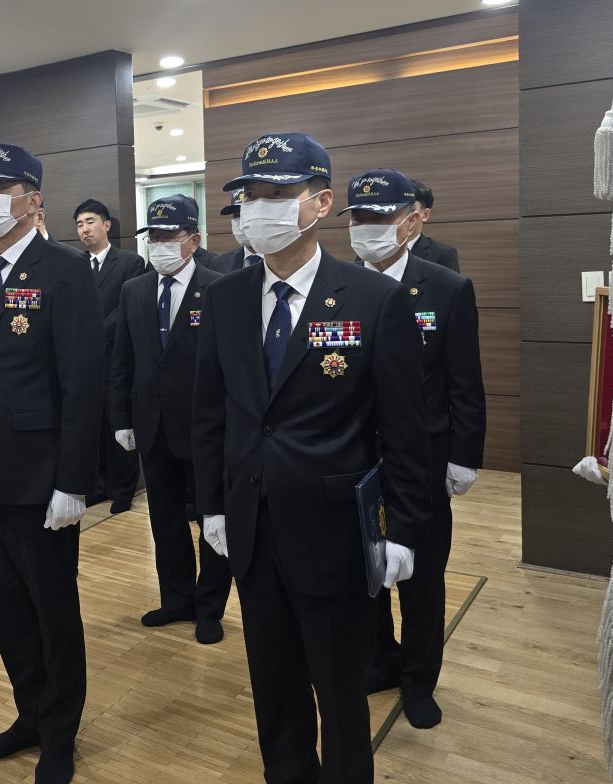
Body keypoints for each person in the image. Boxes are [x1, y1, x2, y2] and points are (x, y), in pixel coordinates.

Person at [192, 133, 432, 784]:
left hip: (333, 535)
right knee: (274, 691)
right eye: (250, 195)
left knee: (341, 695)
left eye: (277, 193)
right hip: (252, 528)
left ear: (321, 202)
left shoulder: (372, 300)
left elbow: (405, 431)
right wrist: (212, 507)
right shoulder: (225, 298)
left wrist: (405, 530)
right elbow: (210, 415)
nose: (258, 208)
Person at [0, 143, 103, 784]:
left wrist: (73, 481)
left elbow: (82, 382)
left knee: (51, 609)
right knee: (5, 607)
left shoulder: (64, 269)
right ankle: (30, 714)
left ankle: (60, 733)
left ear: (32, 199)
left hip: (41, 475)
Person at [341, 168, 486, 729]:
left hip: (422, 457)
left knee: (422, 577)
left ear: (409, 219)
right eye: (358, 217)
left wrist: (464, 455)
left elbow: (464, 382)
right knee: (367, 569)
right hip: (356, 456)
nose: (367, 227)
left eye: (379, 217)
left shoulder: (445, 287)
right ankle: (380, 660)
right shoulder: (338, 288)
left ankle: (419, 680)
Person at [110, 195, 232, 644]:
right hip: (153, 424)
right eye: (154, 237)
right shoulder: (135, 290)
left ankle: (209, 607)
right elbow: (123, 360)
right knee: (164, 519)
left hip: (204, 428)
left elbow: (230, 367)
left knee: (211, 519)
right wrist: (121, 418)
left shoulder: (219, 288)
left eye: (169, 236)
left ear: (193, 240)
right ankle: (176, 599)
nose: (159, 245)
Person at [74, 198, 146, 511]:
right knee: (92, 427)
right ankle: (99, 485)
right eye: (79, 224)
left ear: (106, 225)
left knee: (118, 423)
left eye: (90, 222)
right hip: (83, 362)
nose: (84, 229)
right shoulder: (74, 263)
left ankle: (123, 489)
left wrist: (91, 332)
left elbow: (127, 310)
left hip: (116, 358)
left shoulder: (130, 262)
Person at [407, 180, 460, 272]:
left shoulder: (443, 254)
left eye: (409, 209)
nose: (401, 215)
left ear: (425, 214)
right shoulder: (381, 249)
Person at [210, 186, 262, 273]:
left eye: (247, 213)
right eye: (237, 215)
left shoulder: (283, 259)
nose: (241, 222)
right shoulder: (219, 263)